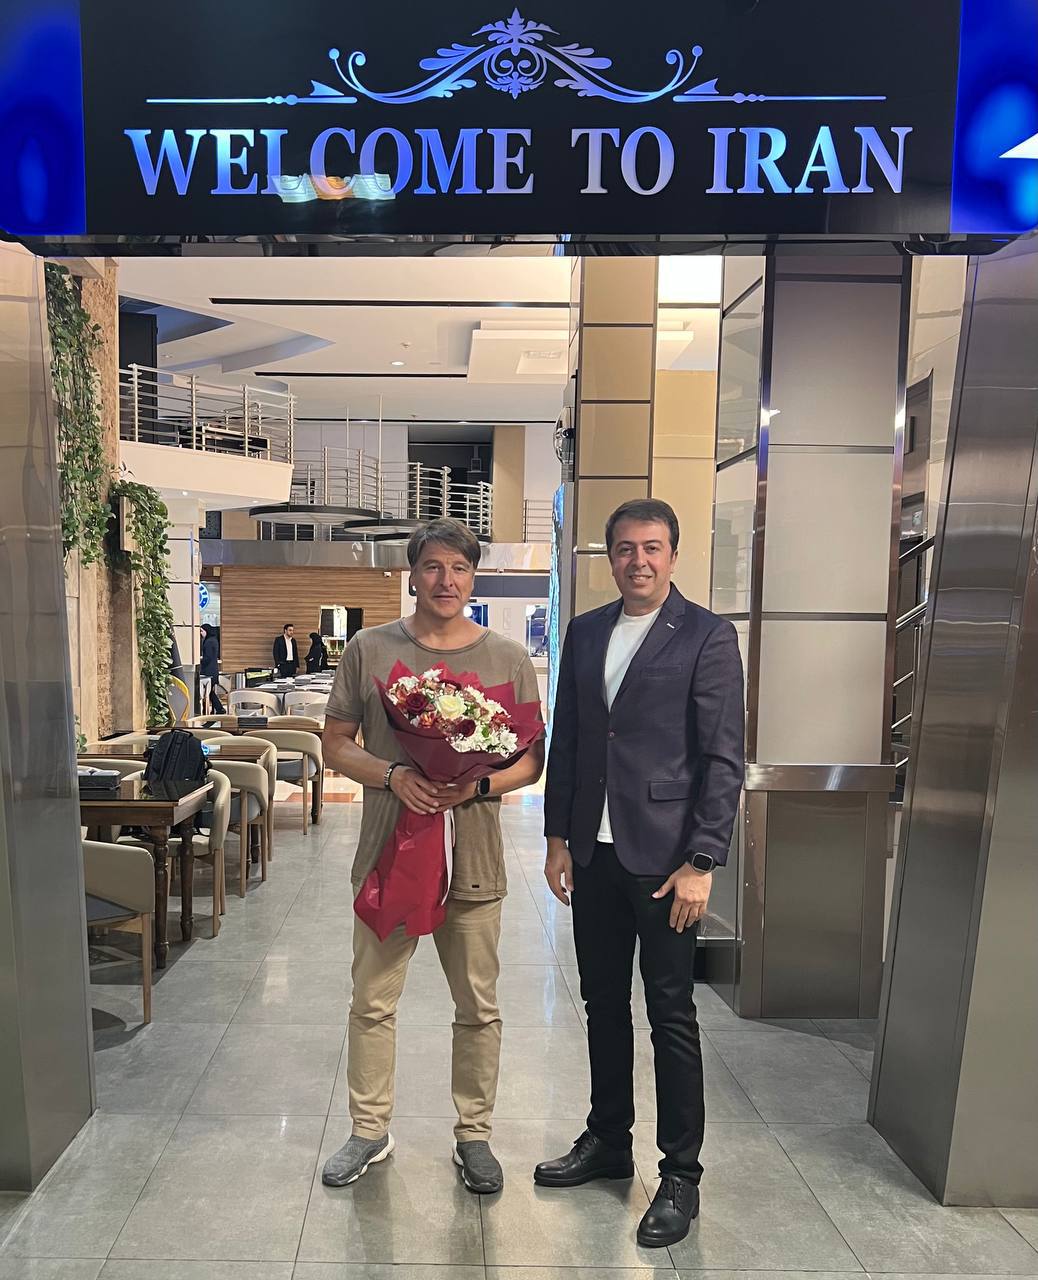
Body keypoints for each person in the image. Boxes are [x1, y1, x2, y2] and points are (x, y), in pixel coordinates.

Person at [537, 498, 744, 1248]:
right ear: (611, 557)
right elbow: (569, 740)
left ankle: (681, 1173)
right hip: (593, 855)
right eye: (625, 549)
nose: (639, 561)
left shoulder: (707, 636)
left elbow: (722, 757)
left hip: (665, 862)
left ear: (673, 555)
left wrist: (702, 860)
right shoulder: (587, 631)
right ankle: (608, 1139)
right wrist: (557, 837)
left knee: (671, 1014)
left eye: (652, 548)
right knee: (601, 1004)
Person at [321, 517, 545, 1196]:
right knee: (372, 1000)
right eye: (434, 567)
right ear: (412, 574)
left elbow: (530, 760)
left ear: (474, 578)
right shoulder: (369, 649)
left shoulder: (508, 658)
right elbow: (335, 743)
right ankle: (368, 1129)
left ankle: (474, 1135)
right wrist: (393, 775)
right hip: (389, 854)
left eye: (460, 568)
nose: (447, 580)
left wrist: (475, 785)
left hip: (473, 858)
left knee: (478, 1004)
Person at [199, 624, 220, 714]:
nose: (200, 633)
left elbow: (207, 658)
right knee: (210, 691)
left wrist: (200, 661)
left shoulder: (209, 642)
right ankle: (217, 708)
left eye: (202, 631)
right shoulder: (213, 640)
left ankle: (219, 708)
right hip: (213, 670)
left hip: (208, 671)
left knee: (209, 692)